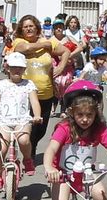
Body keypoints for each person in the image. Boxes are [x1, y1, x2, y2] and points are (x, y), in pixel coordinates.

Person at [10, 14, 69, 147]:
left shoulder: (49, 42)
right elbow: (25, 49)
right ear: (21, 30)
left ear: (37, 28)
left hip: (46, 94)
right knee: (28, 129)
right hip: (24, 95)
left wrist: (60, 68)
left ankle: (31, 150)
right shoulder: (19, 42)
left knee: (41, 130)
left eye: (31, 26)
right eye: (25, 27)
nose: (29, 29)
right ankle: (28, 156)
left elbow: (66, 52)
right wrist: (45, 44)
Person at [0, 50, 41, 188]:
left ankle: (27, 159)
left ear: (24, 69)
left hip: (22, 120)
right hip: (4, 121)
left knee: (24, 140)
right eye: (13, 67)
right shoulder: (1, 84)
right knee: (0, 150)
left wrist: (36, 115)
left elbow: (34, 102)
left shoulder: (29, 84)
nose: (16, 70)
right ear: (7, 68)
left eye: (20, 67)